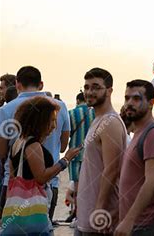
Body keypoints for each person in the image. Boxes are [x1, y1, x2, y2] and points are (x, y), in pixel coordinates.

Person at [0, 66, 70, 223]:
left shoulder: (5, 111)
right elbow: (64, 146)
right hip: (49, 185)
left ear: (17, 84)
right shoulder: (59, 107)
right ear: (41, 84)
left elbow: (2, 152)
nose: (52, 125)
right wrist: (65, 159)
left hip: (13, 188)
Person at [5, 96, 80, 234]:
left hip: (16, 210)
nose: (54, 126)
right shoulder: (33, 145)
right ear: (40, 121)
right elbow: (41, 177)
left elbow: (12, 176)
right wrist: (66, 160)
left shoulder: (18, 142)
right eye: (51, 120)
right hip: (33, 214)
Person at [116, 79, 154, 235]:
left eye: (136, 98)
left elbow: (152, 182)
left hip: (150, 225)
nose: (129, 103)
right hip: (139, 224)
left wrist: (129, 220)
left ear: (150, 103)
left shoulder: (153, 134)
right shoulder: (139, 132)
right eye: (127, 98)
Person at [76, 68, 127, 235]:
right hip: (87, 214)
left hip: (99, 217)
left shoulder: (110, 122)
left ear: (109, 90)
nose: (90, 92)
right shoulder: (98, 119)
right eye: (87, 87)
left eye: (96, 87)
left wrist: (100, 209)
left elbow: (112, 169)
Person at [67, 92, 95, 224]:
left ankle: (78, 215)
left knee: (77, 187)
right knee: (89, 186)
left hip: (75, 153)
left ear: (77, 100)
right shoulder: (95, 113)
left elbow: (66, 133)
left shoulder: (71, 113)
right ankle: (87, 215)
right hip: (91, 153)